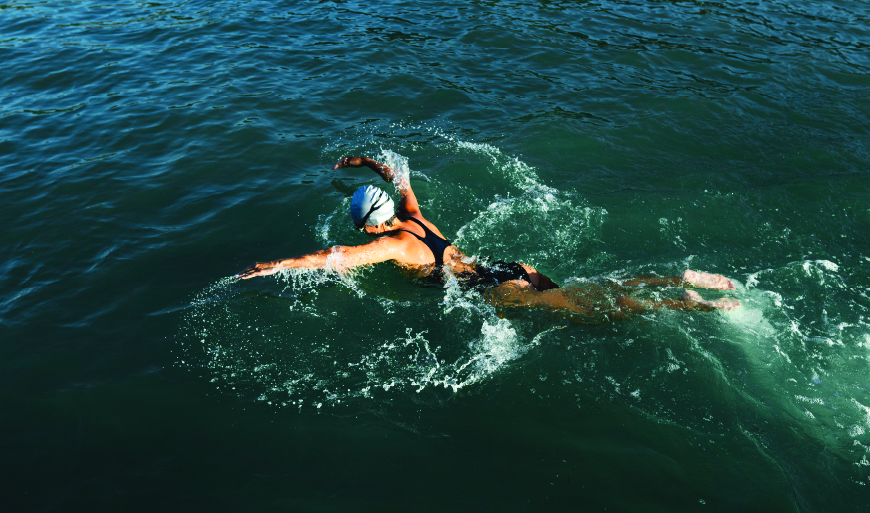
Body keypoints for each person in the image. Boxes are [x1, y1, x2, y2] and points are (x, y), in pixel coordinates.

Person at [236, 155, 740, 321]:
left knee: (595, 312)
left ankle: (688, 304)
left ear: (371, 226)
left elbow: (333, 258)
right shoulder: (416, 216)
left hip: (494, 291)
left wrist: (273, 266)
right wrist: (367, 164)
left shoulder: (390, 245)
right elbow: (401, 172)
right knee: (594, 284)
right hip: (508, 267)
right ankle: (678, 276)